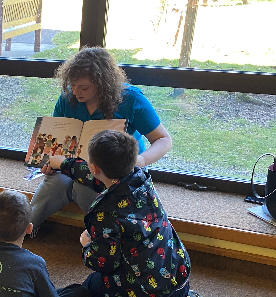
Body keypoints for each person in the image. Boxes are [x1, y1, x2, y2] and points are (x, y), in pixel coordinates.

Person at [49, 130, 213, 297]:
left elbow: (105, 263)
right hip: (178, 275)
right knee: (164, 288)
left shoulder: (105, 213)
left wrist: (87, 246)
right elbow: (99, 179)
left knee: (92, 288)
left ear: (95, 167)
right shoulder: (141, 179)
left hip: (144, 292)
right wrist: (64, 164)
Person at [29, 47, 173, 233]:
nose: (76, 92)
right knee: (55, 182)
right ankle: (19, 231)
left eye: (84, 88)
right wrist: (48, 162)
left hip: (113, 169)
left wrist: (141, 160)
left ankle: (109, 237)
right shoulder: (68, 98)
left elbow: (163, 139)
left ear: (103, 83)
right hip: (75, 163)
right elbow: (57, 139)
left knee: (84, 187)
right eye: (72, 85)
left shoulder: (131, 99)